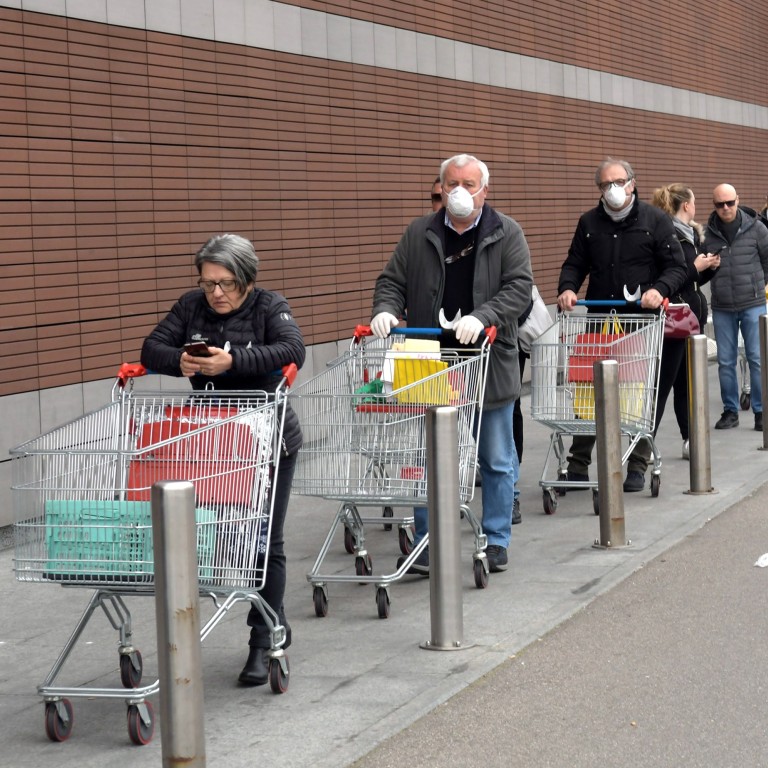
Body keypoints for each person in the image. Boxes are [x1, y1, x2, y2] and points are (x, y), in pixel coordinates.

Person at [140, 233, 306, 687]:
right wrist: (181, 361)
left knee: (263, 541)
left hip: (269, 440)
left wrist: (231, 362)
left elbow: (293, 350)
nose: (216, 292)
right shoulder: (190, 307)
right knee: (223, 539)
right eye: (209, 282)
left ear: (248, 281)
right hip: (214, 444)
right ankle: (269, 616)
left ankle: (263, 638)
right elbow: (151, 348)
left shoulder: (270, 307)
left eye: (227, 283)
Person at [371, 153, 533, 574]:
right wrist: (387, 309)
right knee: (430, 458)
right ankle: (427, 541)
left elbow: (520, 289)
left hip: (487, 360)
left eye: (469, 183)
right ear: (440, 188)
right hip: (429, 359)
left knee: (495, 458)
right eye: (452, 183)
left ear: (485, 190)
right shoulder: (419, 232)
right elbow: (392, 280)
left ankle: (496, 538)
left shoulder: (506, 232)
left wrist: (484, 316)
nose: (460, 191)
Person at [557, 158, 687, 492]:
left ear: (632, 182)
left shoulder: (655, 220)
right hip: (600, 319)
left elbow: (676, 267)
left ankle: (638, 463)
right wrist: (568, 289)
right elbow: (575, 262)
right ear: (599, 188)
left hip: (640, 323)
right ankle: (578, 465)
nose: (613, 189)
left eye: (619, 182)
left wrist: (659, 290)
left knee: (640, 392)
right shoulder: (589, 223)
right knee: (589, 390)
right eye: (605, 184)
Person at [650, 184, 720, 458]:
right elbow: (674, 276)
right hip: (673, 319)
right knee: (663, 384)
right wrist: (695, 267)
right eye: (694, 201)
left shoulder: (689, 234)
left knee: (687, 383)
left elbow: (691, 279)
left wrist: (710, 268)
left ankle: (689, 438)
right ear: (686, 205)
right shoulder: (668, 236)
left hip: (691, 317)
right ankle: (643, 449)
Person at [705, 184, 768, 431]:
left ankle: (761, 412)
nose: (726, 208)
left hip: (753, 303)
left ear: (737, 200)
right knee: (726, 361)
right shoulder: (708, 234)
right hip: (722, 305)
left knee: (757, 358)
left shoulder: (757, 228)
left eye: (730, 202)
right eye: (720, 204)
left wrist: (760, 285)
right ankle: (730, 411)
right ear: (714, 205)